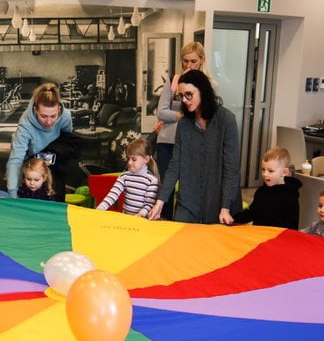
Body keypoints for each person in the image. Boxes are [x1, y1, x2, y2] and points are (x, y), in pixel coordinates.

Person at [148, 69, 240, 224]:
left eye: (188, 94)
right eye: (181, 96)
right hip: (188, 203)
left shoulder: (227, 120)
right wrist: (160, 201)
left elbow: (231, 168)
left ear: (203, 91)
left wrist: (226, 206)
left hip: (220, 204)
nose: (184, 100)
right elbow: (175, 165)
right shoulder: (184, 124)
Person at [154, 42, 214, 220]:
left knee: (190, 187)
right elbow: (161, 111)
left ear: (202, 60)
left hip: (193, 143)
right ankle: (164, 223)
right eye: (185, 61)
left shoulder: (210, 84)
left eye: (193, 61)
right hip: (167, 142)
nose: (188, 65)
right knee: (167, 187)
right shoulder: (174, 81)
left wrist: (176, 115)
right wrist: (184, 115)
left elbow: (207, 113)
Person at [6, 82, 74, 200]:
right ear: (35, 110)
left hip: (54, 159)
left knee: (56, 196)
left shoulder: (65, 116)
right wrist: (12, 193)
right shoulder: (25, 124)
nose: (48, 122)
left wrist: (56, 156)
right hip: (32, 160)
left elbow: (67, 142)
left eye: (53, 116)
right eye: (43, 116)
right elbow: (16, 160)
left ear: (59, 109)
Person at [229, 147, 301, 229]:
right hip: (259, 236)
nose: (265, 174)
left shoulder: (290, 195)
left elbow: (292, 225)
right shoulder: (261, 191)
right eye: (263, 169)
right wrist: (233, 219)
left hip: (277, 238)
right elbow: (252, 213)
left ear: (284, 172)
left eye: (270, 171)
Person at [96, 138, 159, 217]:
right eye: (128, 158)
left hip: (142, 220)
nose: (129, 162)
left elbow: (149, 204)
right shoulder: (124, 176)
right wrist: (99, 209)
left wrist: (141, 214)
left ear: (146, 159)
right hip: (126, 218)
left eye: (134, 159)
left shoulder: (151, 180)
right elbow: (112, 195)